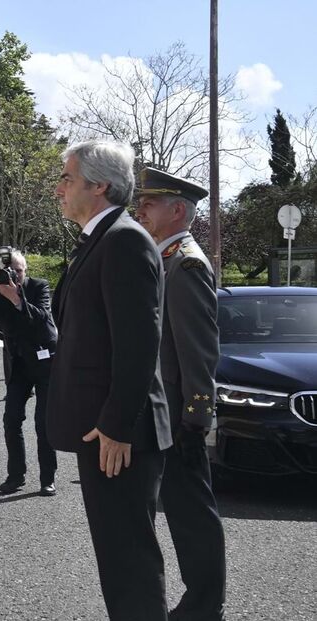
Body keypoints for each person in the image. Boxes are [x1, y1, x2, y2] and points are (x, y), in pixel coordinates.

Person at [47, 140, 171, 621]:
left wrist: (118, 425)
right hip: (105, 432)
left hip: (119, 437)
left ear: (99, 186)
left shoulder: (124, 240)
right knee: (117, 561)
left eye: (67, 179)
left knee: (130, 563)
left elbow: (139, 344)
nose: (58, 188)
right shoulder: (102, 239)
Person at [135, 167, 226, 621]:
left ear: (177, 210)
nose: (140, 210)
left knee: (192, 514)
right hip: (163, 411)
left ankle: (205, 606)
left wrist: (196, 419)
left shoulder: (185, 263)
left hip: (177, 415)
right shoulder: (165, 257)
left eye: (149, 204)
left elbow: (198, 350)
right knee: (179, 511)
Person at [0, 250, 58, 496]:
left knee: (43, 424)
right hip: (18, 364)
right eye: (11, 272)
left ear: (26, 270)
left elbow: (43, 318)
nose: (15, 276)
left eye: (19, 271)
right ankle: (16, 476)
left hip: (44, 361)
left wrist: (18, 300)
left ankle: (47, 479)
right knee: (11, 420)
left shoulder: (38, 287)